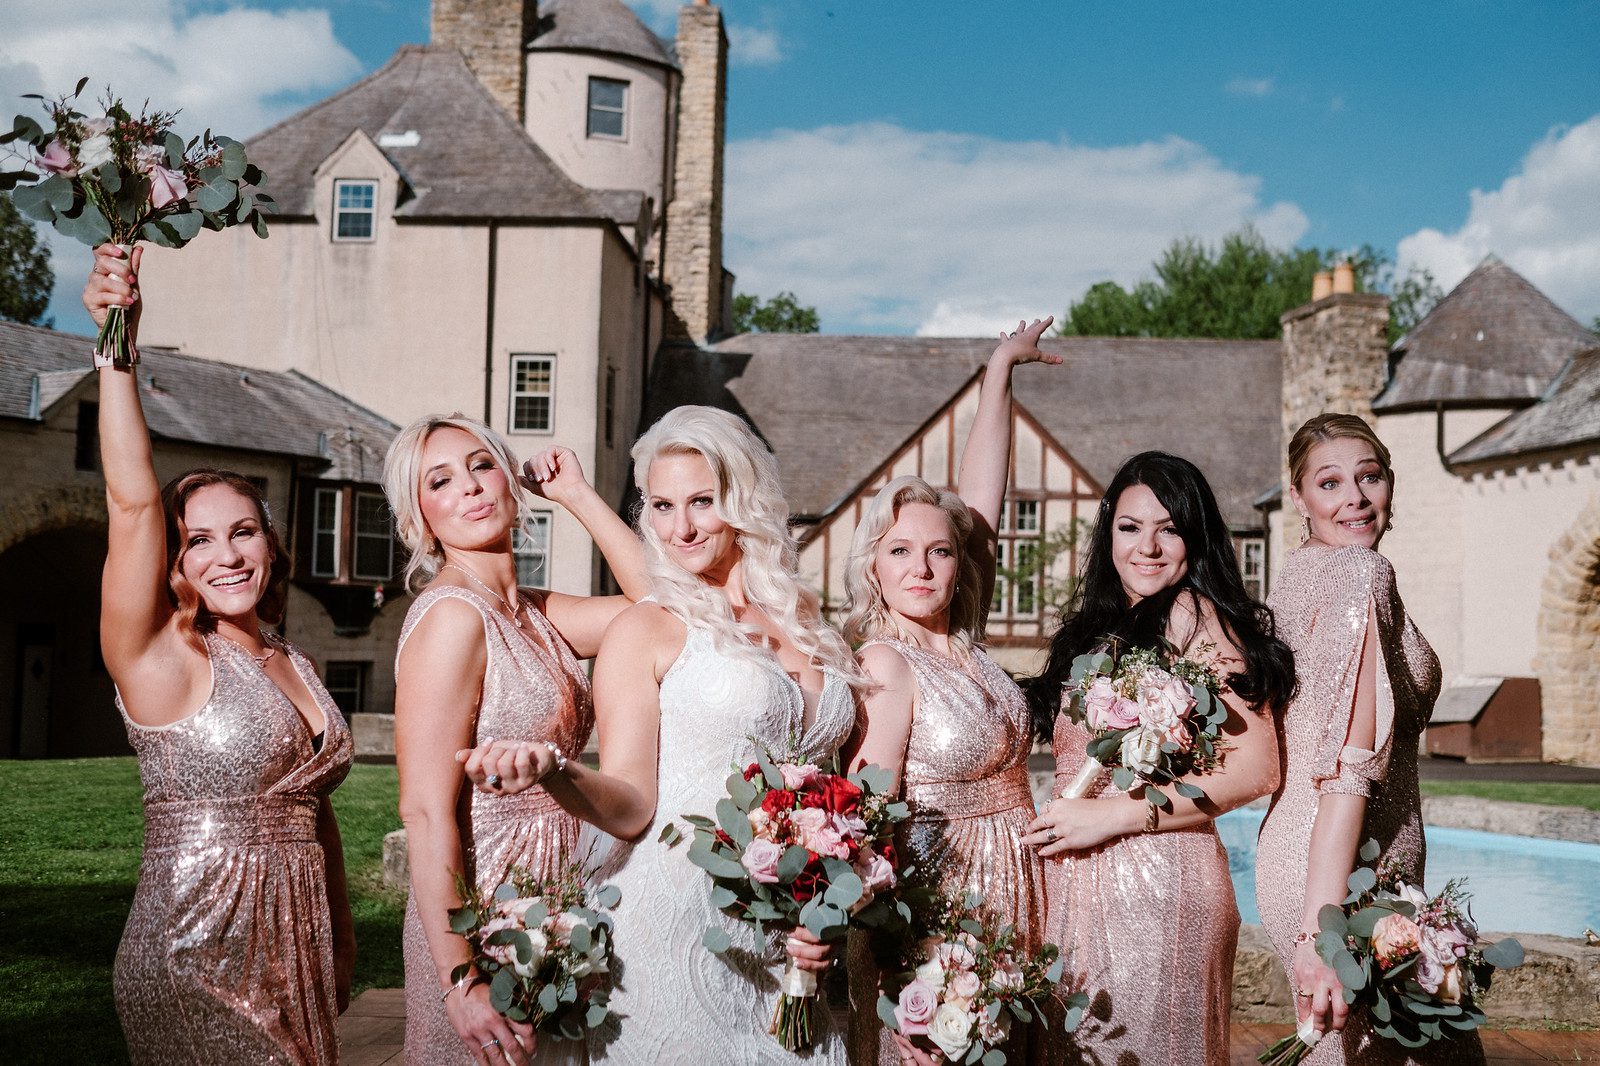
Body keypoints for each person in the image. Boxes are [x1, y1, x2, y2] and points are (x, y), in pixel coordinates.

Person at [458, 405, 864, 1064]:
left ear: (742, 499)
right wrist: (557, 769)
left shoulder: (806, 619)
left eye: (702, 501)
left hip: (783, 933)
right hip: (670, 921)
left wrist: (826, 897)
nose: (680, 527)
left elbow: (835, 793)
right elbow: (630, 805)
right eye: (662, 506)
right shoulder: (647, 628)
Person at [85, 246, 354, 1064]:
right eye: (198, 540)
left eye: (243, 532)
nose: (227, 556)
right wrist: (116, 347)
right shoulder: (162, 655)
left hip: (297, 956)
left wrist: (340, 938)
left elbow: (316, 811)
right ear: (173, 561)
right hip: (193, 949)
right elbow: (134, 504)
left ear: (270, 544)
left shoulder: (294, 661)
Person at [385, 414, 648, 1066]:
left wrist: (579, 496)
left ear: (510, 480)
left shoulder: (532, 610)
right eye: (440, 481)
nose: (470, 488)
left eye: (482, 465)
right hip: (486, 918)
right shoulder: (453, 617)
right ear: (419, 518)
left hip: (560, 902)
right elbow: (423, 811)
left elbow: (661, 608)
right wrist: (461, 981)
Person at [1021, 451, 1296, 1066]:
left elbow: (1256, 769)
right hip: (1077, 881)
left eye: (1168, 528)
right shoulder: (1101, 626)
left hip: (1158, 882)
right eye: (1130, 527)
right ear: (1108, 535)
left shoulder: (1196, 617)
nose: (1147, 546)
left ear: (1195, 539)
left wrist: (1113, 815)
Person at [842, 320, 1058, 1065]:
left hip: (1023, 889)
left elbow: (980, 501)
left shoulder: (968, 646)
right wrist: (912, 956)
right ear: (874, 567)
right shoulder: (887, 662)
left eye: (939, 551)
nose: (923, 567)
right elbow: (865, 818)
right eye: (900, 551)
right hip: (942, 907)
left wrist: (1000, 372)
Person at [1255, 414, 1483, 1064]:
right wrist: (1323, 931)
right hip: (1343, 867)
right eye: (1329, 482)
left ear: (1389, 484)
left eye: (1369, 476)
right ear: (1297, 497)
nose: (1354, 496)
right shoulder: (1359, 574)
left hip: (1329, 856)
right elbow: (1349, 768)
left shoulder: (1300, 576)